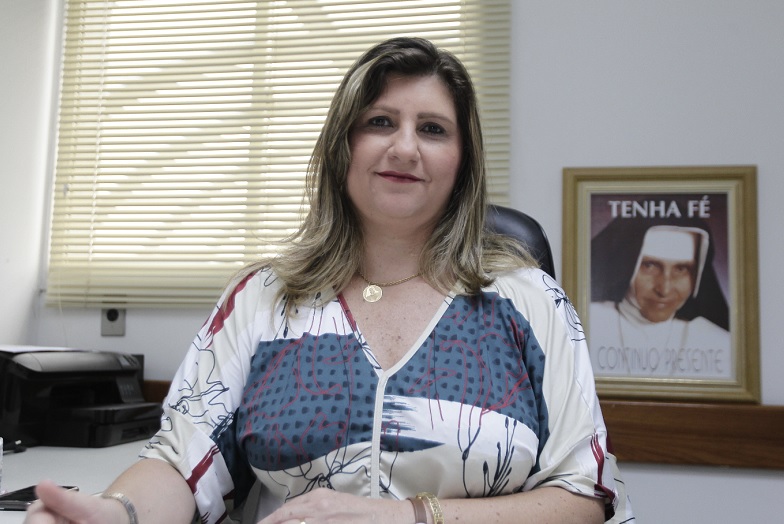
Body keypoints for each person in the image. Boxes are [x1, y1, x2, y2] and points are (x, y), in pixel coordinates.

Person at [26, 37, 632, 524]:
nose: (405, 147)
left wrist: (408, 517)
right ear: (343, 146)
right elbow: (182, 462)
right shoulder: (264, 298)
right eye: (380, 121)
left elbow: (586, 493)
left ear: (463, 161)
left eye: (432, 129)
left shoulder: (528, 301)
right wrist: (119, 513)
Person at [590, 216, 731, 377]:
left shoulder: (721, 344)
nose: (665, 289)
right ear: (625, 266)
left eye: (681, 269)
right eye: (650, 266)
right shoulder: (585, 326)